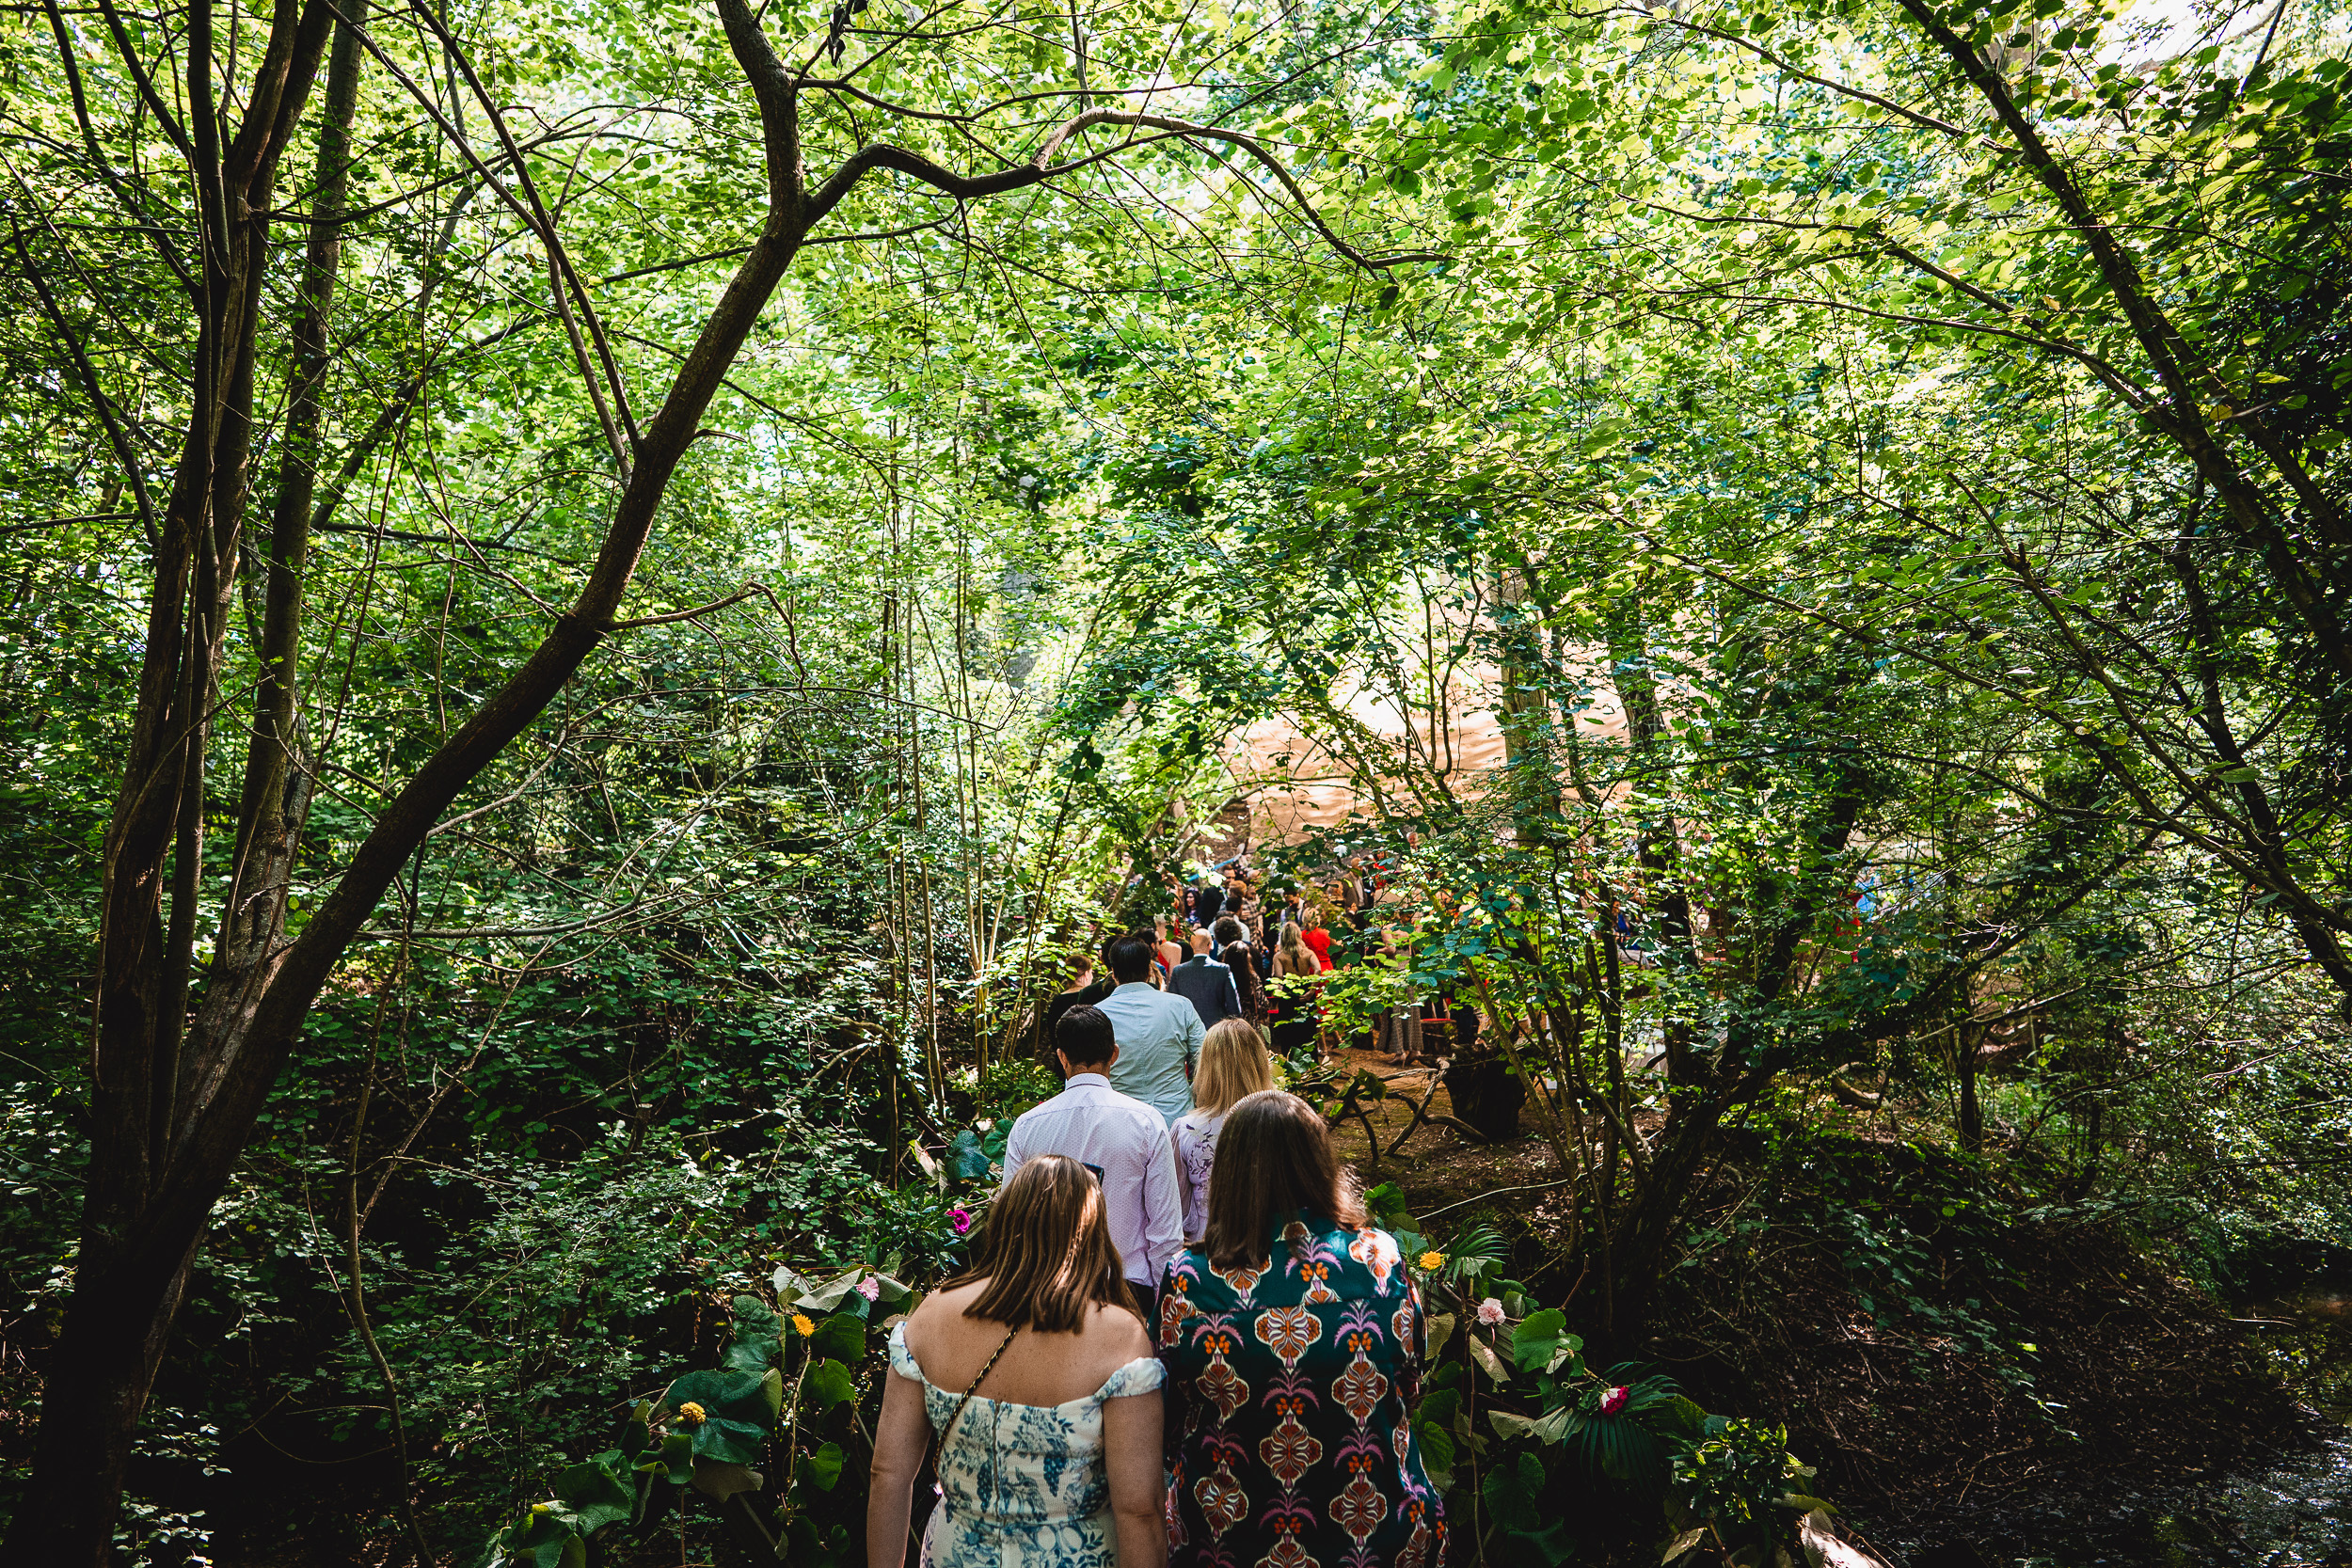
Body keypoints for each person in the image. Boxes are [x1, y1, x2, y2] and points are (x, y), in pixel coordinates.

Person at [1158, 1092, 1447, 1568]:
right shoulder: (1380, 1258)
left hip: (1229, 1539)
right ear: (1319, 1163)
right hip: (1381, 1531)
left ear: (1228, 1173)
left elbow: (1170, 1414)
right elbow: (1410, 1382)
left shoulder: (1189, 1277)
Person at [869, 1155, 1167, 1568]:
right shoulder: (1118, 1335)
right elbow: (1140, 1509)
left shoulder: (933, 1315)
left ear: (1005, 1220)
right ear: (1093, 1233)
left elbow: (889, 1474)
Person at [1003, 1005, 1184, 1321]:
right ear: (1114, 1054)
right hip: (1127, 1292)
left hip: (1047, 1293)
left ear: (1062, 1057)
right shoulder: (1147, 1122)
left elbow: (1011, 1224)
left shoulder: (1027, 1126)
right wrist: (1163, 1305)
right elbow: (1165, 1232)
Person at [1168, 1020, 1276, 1240]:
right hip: (1272, 1245)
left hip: (1210, 1250)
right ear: (1259, 1063)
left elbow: (1177, 1207)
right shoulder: (1283, 1119)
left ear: (1206, 1068)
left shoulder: (1186, 1129)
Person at [1092, 933, 1204, 1123]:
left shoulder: (1096, 1015)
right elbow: (1205, 1058)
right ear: (1149, 970)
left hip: (1120, 1120)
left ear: (1113, 973)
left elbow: (1086, 1075)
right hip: (1177, 1118)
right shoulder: (1180, 1006)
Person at [1167, 927, 1244, 1030]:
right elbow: (1233, 1007)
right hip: (1217, 1031)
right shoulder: (1222, 969)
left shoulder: (1179, 971)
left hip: (1188, 1031)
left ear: (1191, 945)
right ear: (1210, 945)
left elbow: (1172, 1005)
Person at [1211, 915, 1266, 1029]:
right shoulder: (1254, 951)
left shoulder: (1222, 958)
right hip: (1252, 1012)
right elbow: (1261, 979)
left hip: (1233, 1015)